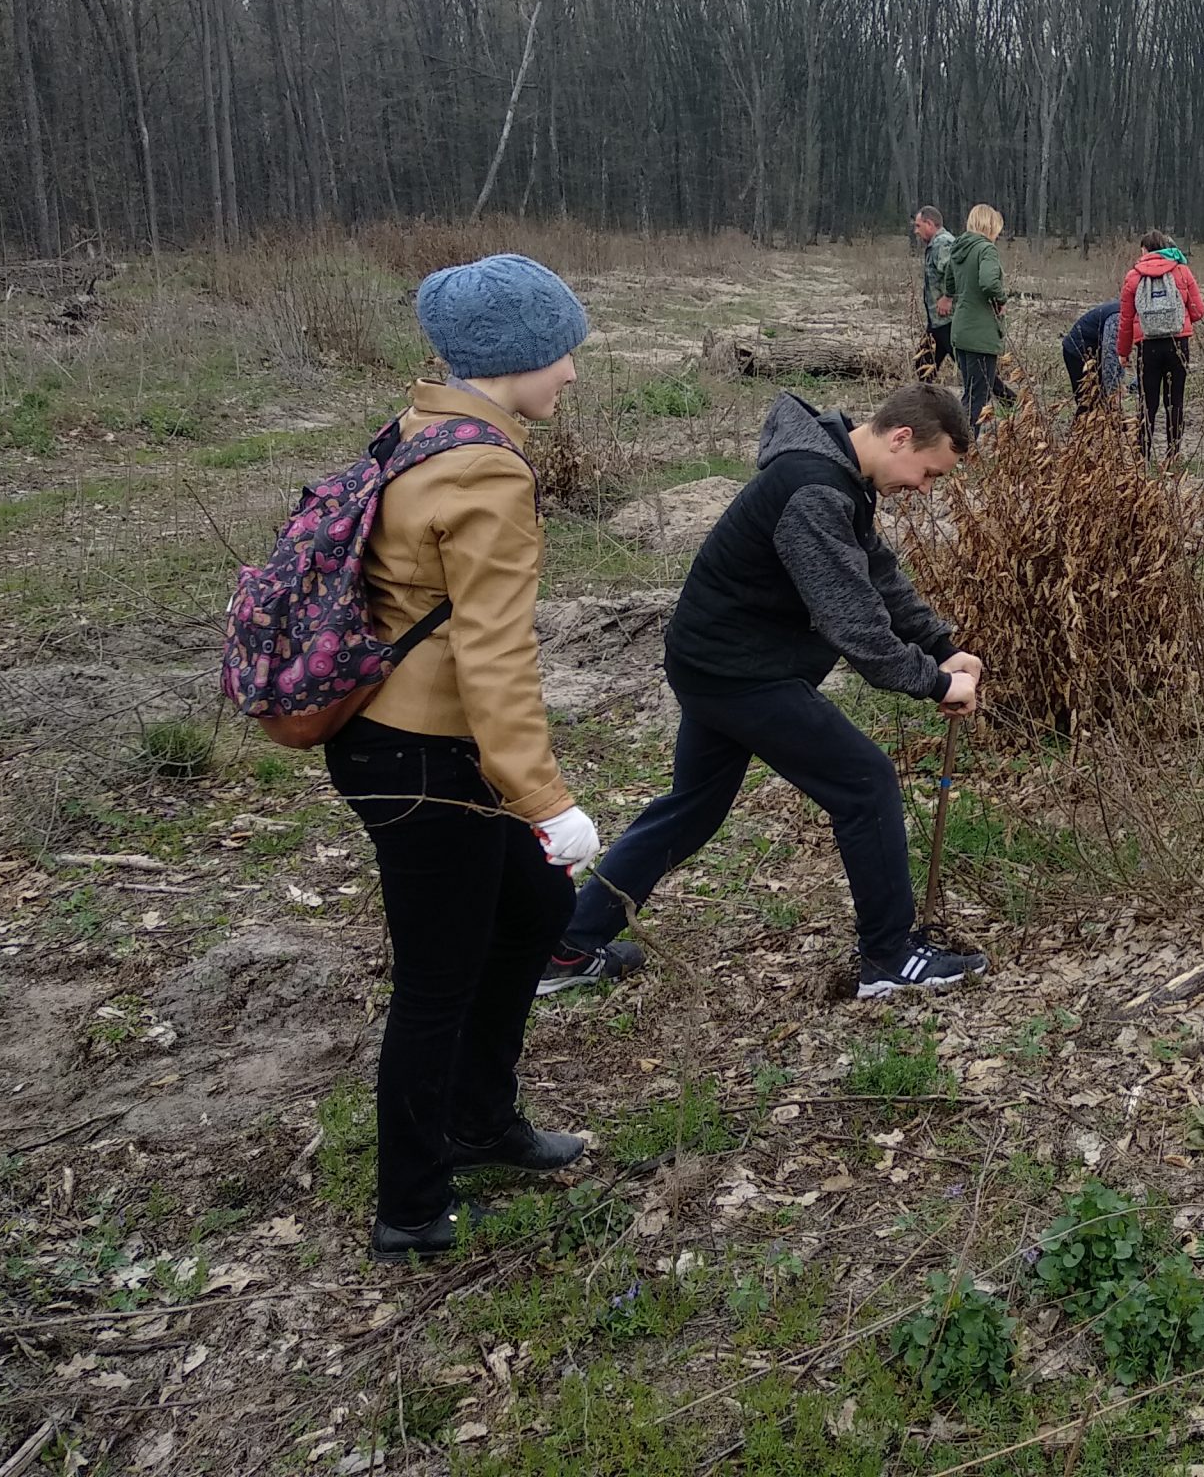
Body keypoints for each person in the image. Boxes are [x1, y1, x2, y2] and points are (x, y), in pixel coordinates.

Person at [543, 382, 990, 1000]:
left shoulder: (837, 479)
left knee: (692, 809)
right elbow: (853, 622)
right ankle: (889, 957)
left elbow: (877, 576)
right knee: (864, 784)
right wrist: (934, 682)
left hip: (714, 665)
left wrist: (940, 645)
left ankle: (567, 946)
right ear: (901, 437)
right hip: (739, 674)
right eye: (928, 473)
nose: (925, 489)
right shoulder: (813, 490)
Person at [327, 253, 599, 1261]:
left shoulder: (424, 429)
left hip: (407, 746)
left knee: (533, 913)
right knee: (436, 982)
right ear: (512, 358)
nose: (570, 370)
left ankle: (483, 1119)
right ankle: (411, 1206)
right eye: (558, 351)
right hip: (423, 758)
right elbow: (494, 654)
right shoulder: (485, 467)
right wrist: (545, 799)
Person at [1118, 231, 1204, 458]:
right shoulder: (1182, 271)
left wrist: (1123, 352)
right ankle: (1173, 454)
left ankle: (1143, 454)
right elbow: (1198, 312)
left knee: (1147, 402)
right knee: (1175, 400)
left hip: (1147, 347)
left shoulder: (1133, 277)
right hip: (1178, 344)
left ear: (1144, 250)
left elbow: (1125, 319)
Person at [938, 204, 1013, 423]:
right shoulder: (986, 249)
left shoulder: (959, 248)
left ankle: (956, 443)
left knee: (970, 392)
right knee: (976, 398)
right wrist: (1001, 299)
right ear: (990, 226)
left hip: (960, 331)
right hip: (981, 334)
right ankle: (966, 448)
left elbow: (949, 283)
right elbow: (989, 282)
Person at [913, 207, 957, 380]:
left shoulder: (943, 243)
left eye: (918, 226)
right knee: (923, 366)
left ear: (929, 224)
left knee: (972, 371)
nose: (916, 231)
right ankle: (924, 404)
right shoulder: (936, 244)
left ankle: (1010, 401)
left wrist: (947, 297)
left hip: (948, 321)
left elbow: (954, 273)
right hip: (937, 322)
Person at [1061, 300, 1123, 411]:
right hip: (1077, 352)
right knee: (1087, 403)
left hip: (1095, 354)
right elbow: (1110, 356)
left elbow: (1122, 354)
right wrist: (1113, 392)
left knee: (1104, 405)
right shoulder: (1117, 317)